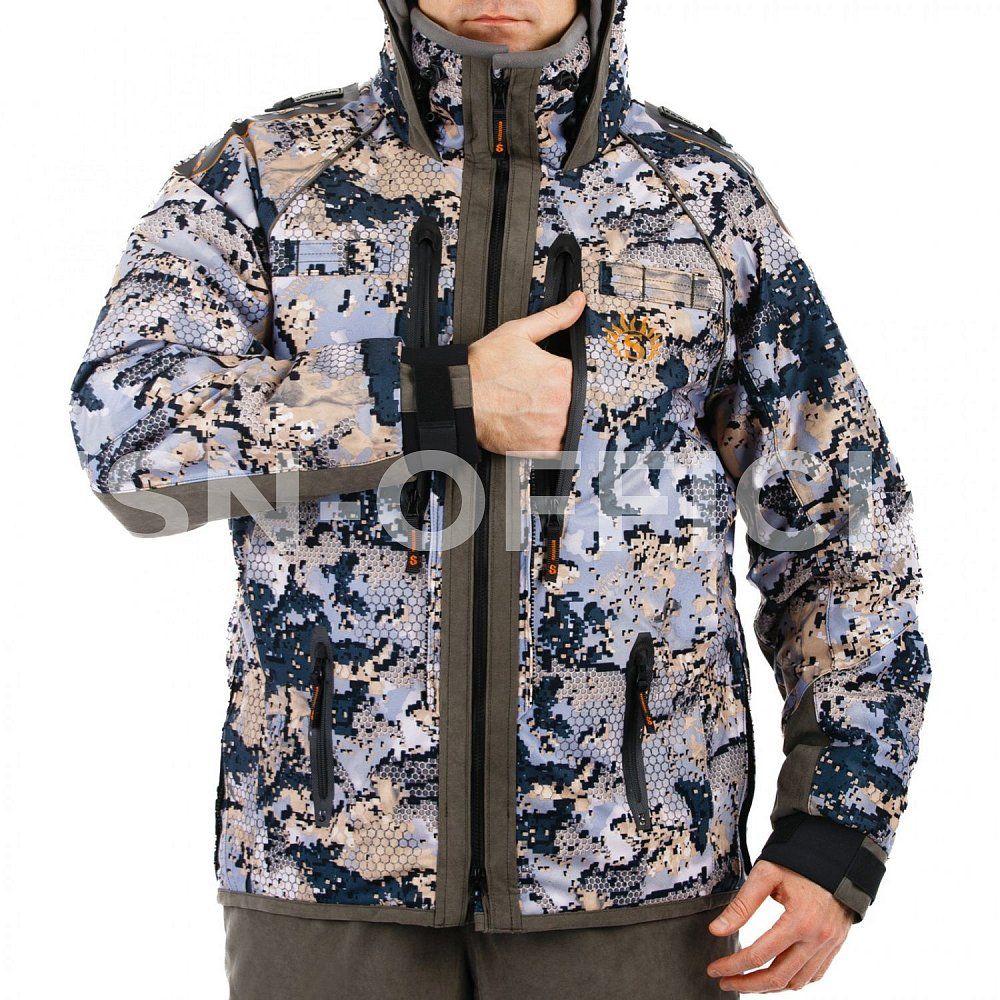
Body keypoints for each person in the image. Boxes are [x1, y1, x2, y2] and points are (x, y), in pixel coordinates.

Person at [69, 1, 931, 996]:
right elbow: (123, 426)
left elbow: (841, 525)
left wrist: (838, 823)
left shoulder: (701, 199)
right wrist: (437, 396)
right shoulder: (268, 177)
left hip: (634, 875)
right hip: (324, 867)